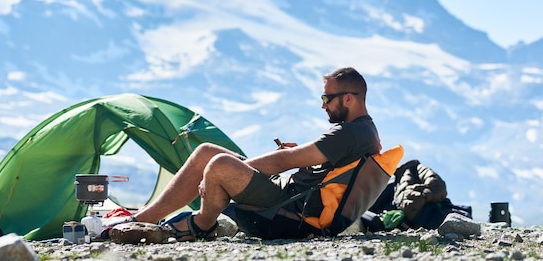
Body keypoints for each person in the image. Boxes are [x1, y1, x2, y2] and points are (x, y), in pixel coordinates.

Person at [120, 66, 382, 240]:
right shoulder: (360, 132)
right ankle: (142, 220)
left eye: (327, 98)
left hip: (289, 208)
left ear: (349, 98)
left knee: (218, 163)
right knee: (206, 152)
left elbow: (283, 161)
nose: (322, 105)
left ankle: (202, 224)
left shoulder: (351, 133)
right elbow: (314, 164)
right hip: (287, 193)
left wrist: (214, 175)